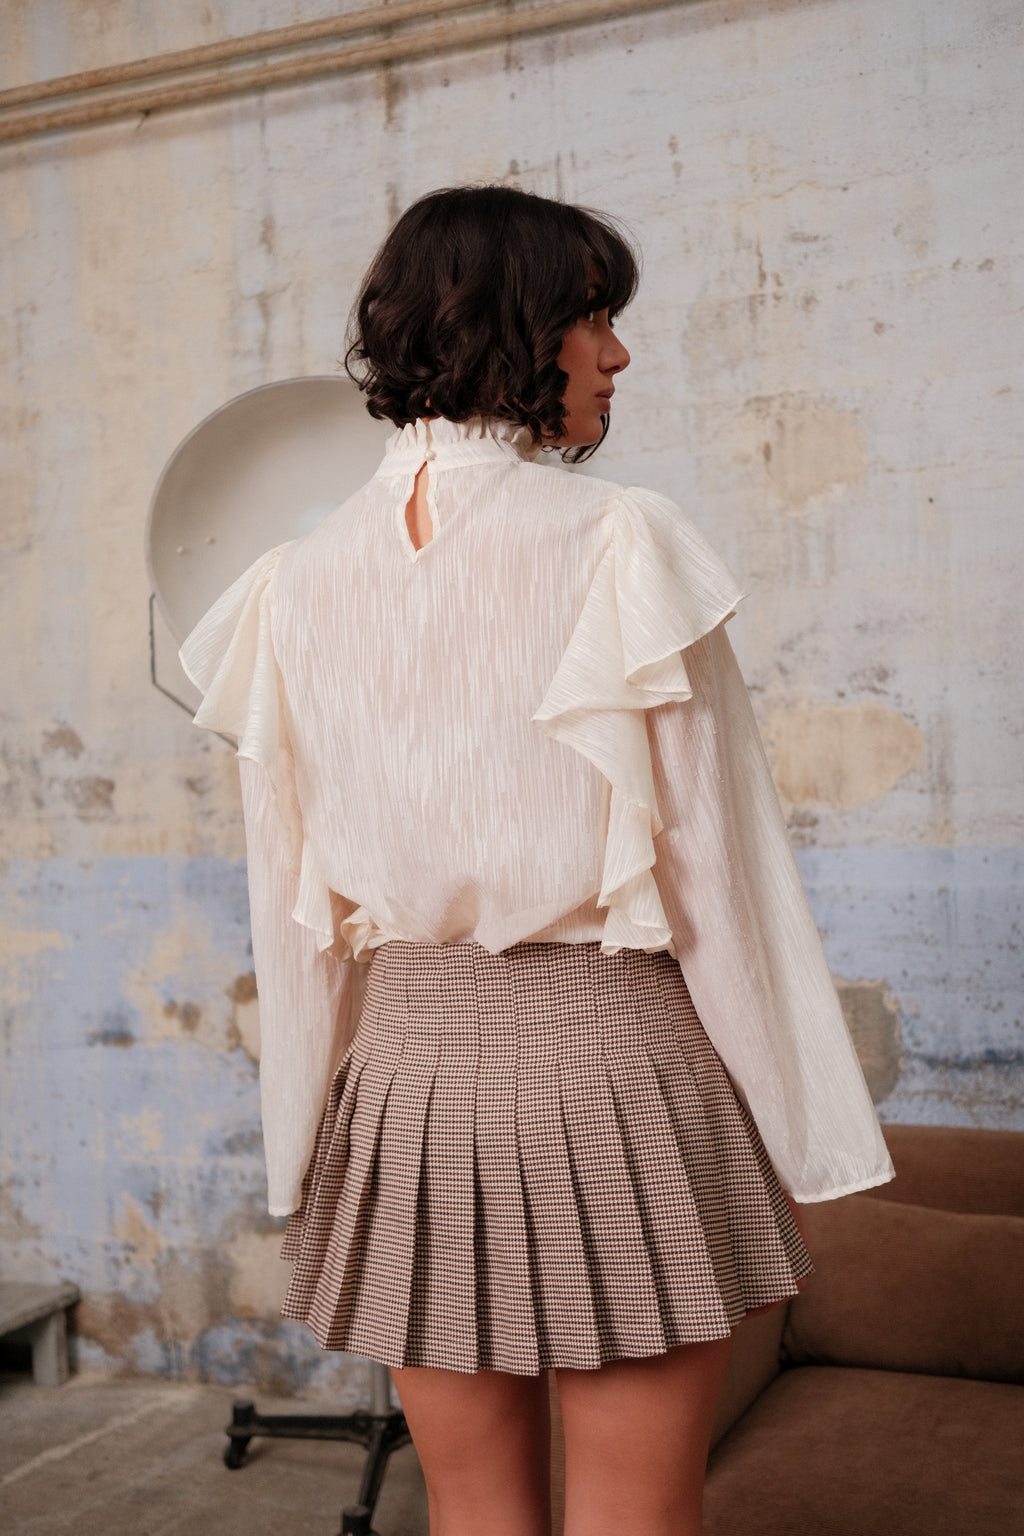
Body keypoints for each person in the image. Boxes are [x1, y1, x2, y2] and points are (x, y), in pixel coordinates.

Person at [180, 185, 893, 1536]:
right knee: (634, 1514)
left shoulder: (286, 586)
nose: (617, 354)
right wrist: (809, 1136)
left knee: (473, 1516)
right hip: (612, 1073)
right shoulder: (620, 542)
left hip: (407, 1092)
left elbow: (293, 920)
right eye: (592, 318)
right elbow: (722, 876)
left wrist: (302, 1151)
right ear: (511, 327)